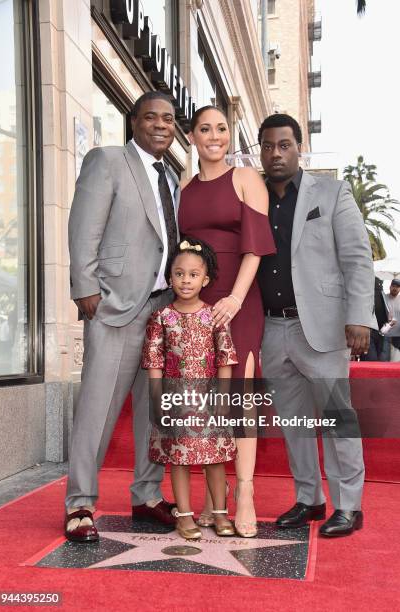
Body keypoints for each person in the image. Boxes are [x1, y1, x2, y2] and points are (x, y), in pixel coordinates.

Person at [65, 91, 179, 542]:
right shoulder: (108, 160)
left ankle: (146, 494)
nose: (160, 125)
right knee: (98, 407)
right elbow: (83, 227)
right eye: (150, 117)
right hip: (114, 305)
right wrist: (85, 287)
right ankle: (80, 504)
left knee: (154, 411)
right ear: (133, 121)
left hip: (162, 306)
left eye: (168, 119)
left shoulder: (170, 176)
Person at [258, 113, 375, 537]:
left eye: (284, 145)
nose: (276, 154)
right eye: (268, 146)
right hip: (273, 329)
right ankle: (309, 499)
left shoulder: (333, 192)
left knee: (335, 418)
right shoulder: (254, 197)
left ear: (298, 147)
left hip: (323, 327)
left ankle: (349, 505)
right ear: (261, 150)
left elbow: (358, 259)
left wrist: (359, 317)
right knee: (293, 423)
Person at [179, 106, 276, 537]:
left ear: (229, 135)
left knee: (239, 399)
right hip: (197, 304)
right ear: (193, 135)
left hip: (239, 300)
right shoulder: (184, 185)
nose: (214, 136)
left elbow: (255, 247)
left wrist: (236, 297)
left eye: (221, 129)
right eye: (205, 129)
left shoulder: (246, 178)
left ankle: (246, 493)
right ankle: (211, 498)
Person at [142, 238, 238, 540]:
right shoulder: (161, 318)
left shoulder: (215, 317)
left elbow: (225, 357)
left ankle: (221, 513)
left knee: (214, 458)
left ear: (205, 279)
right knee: (178, 459)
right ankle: (184, 516)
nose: (186, 280)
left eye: (193, 274)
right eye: (179, 273)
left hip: (210, 401)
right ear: (170, 277)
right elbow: (154, 360)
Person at [383, 278, 400, 361]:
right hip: (385, 334)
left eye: (397, 286)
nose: (395, 288)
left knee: (396, 360)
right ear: (390, 287)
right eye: (393, 286)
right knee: (384, 359)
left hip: (398, 335)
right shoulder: (383, 298)